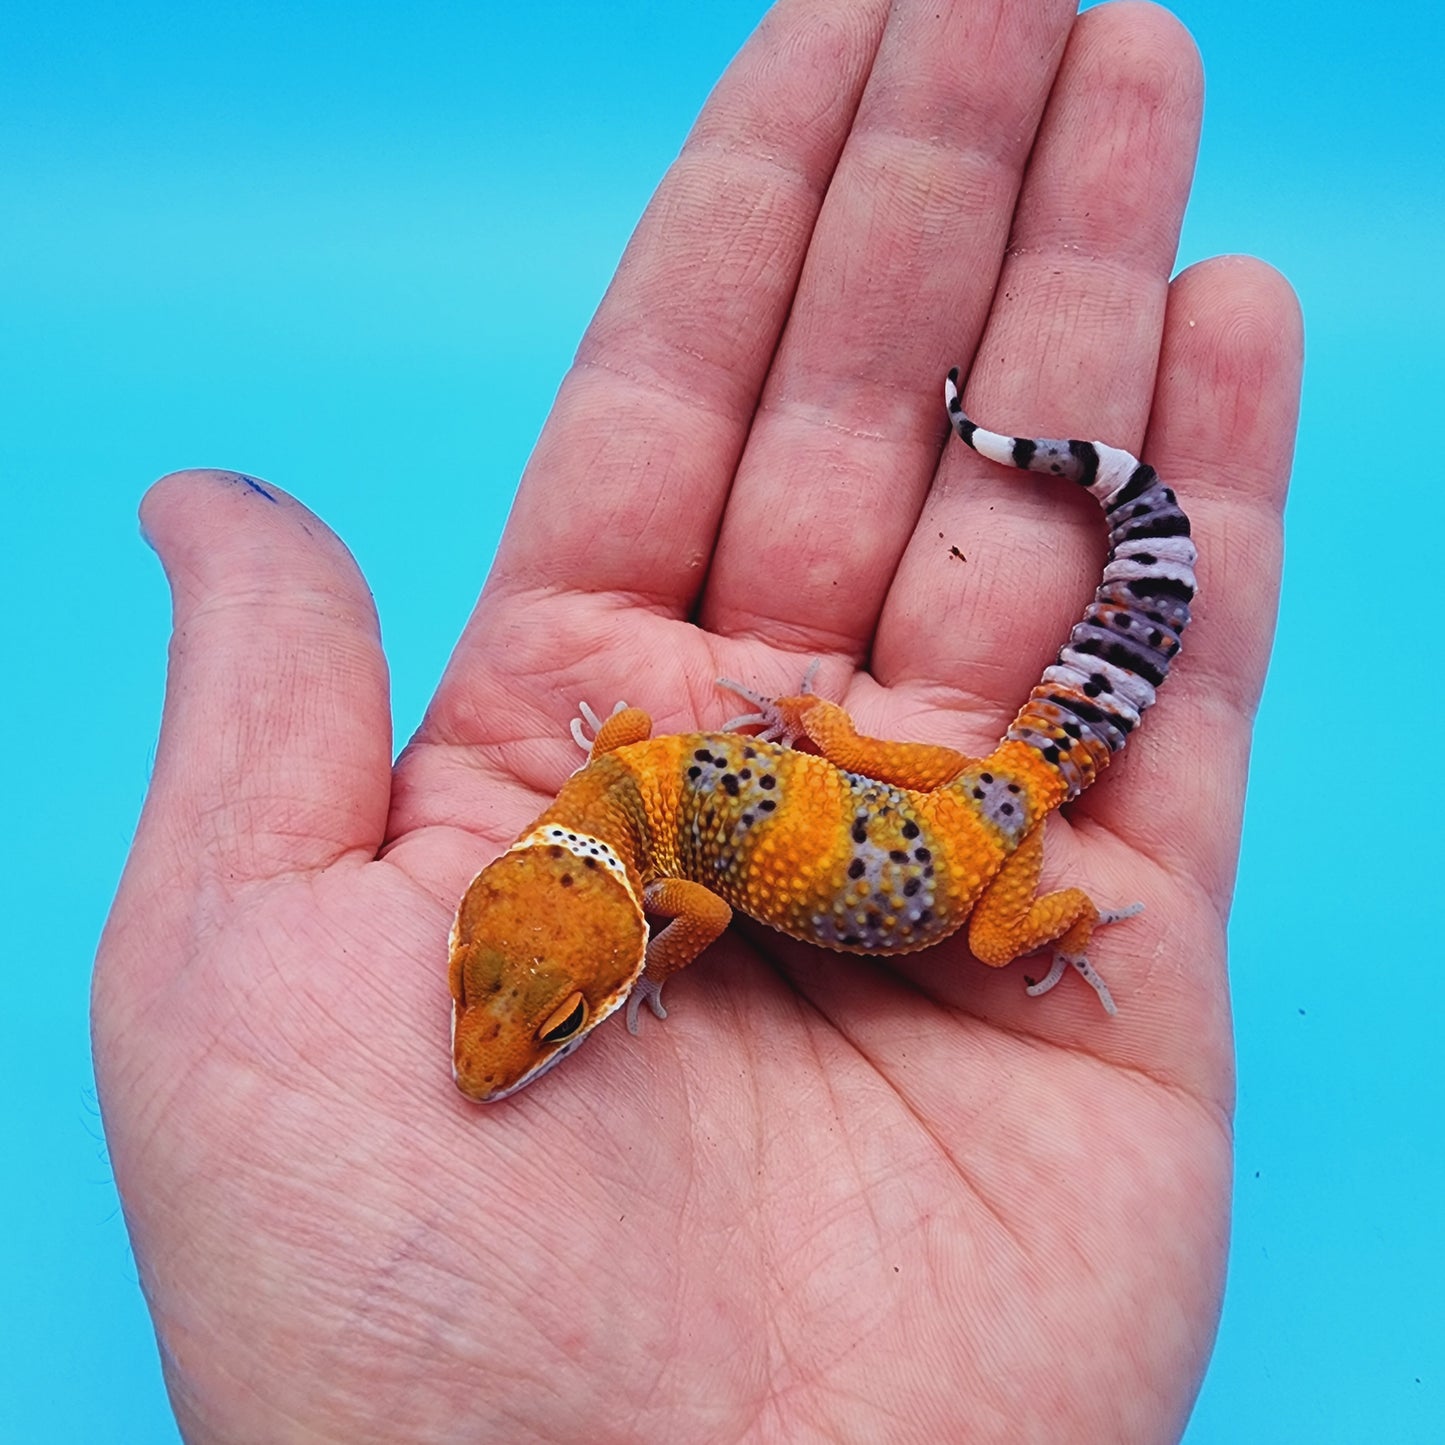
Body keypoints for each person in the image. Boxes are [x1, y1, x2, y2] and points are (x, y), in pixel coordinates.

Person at [93, 0, 1301, 1438]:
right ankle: (1103, 531)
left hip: (976, 868)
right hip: (939, 793)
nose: (493, 1044)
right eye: (523, 1014)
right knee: (941, 744)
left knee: (998, 934)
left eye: (523, 1016)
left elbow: (707, 925)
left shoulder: (653, 876)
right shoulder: (605, 789)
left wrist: (675, 950)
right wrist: (824, 733)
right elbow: (627, 776)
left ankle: (1066, 874)